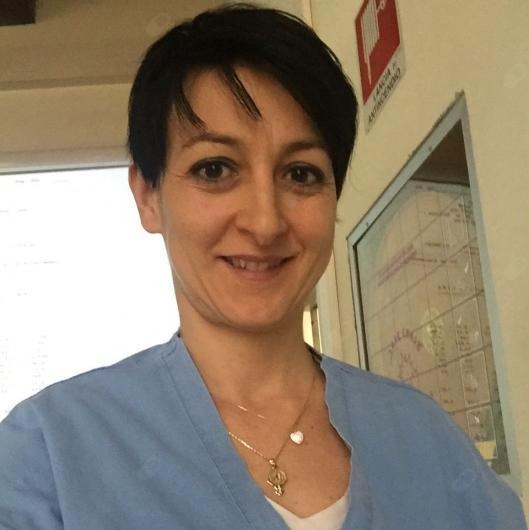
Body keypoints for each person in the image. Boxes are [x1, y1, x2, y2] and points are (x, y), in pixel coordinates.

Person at [0, 4, 526, 530]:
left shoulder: (425, 439)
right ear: (148, 197)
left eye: (301, 174)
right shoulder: (48, 455)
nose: (265, 221)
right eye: (214, 169)